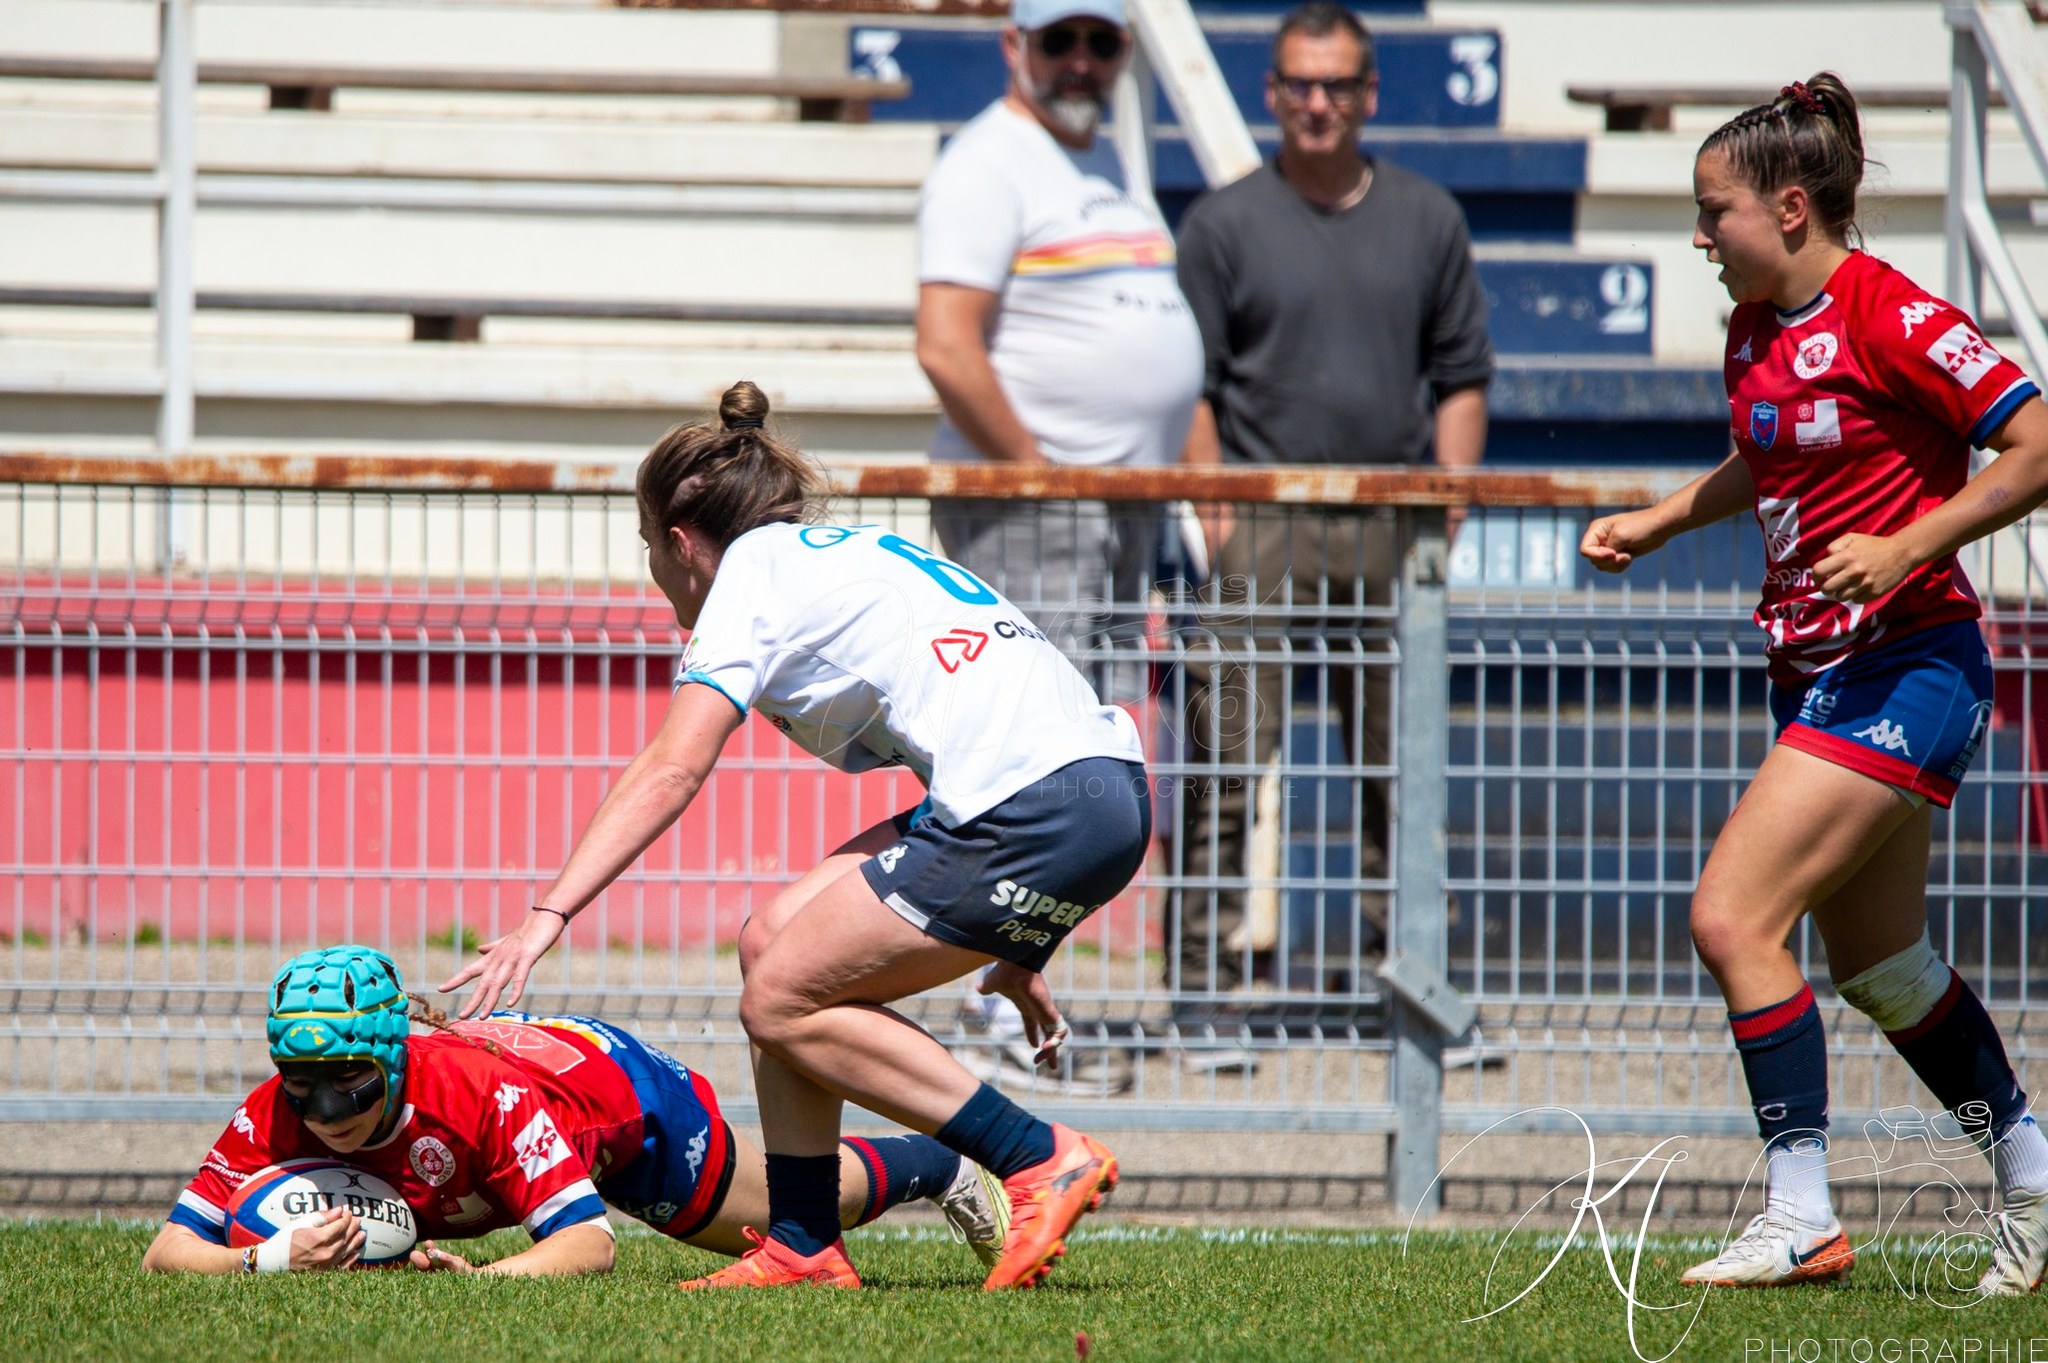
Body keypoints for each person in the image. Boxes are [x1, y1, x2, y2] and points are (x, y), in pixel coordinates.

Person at [442, 381, 1150, 1291]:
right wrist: (1021, 946)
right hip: (1096, 792)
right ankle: (805, 1241)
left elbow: (673, 766)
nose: (655, 574)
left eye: (646, 550)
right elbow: (1007, 715)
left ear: (680, 541)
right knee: (772, 943)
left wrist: (547, 915)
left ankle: (1035, 1154)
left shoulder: (748, 576)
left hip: (1036, 804)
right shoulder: (844, 553)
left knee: (779, 999)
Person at [1580, 74, 2048, 1295]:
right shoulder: (1756, 324)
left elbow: (2036, 440)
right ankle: (2035, 1176)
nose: (1696, 235)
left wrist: (1910, 543)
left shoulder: (1890, 313)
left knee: (1731, 917)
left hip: (1907, 659)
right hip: (1819, 672)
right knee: (1884, 966)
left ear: (1789, 209)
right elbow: (1770, 448)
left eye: (1711, 211)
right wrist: (1667, 517)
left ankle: (1798, 1214)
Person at [1168, 1, 1491, 1033]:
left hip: (1390, 522)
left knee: (1402, 772)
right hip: (1257, 521)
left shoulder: (1427, 218)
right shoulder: (1220, 224)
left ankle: (1403, 992)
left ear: (1367, 94)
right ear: (1270, 94)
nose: (1316, 103)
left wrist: (1441, 509)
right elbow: (1193, 390)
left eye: (1336, 84)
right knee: (1224, 756)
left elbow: (1460, 378)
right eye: (1298, 84)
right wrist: (1217, 519)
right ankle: (1202, 993)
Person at [141, 944, 1008, 1275]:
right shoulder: (275, 1109)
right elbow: (165, 1254)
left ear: (397, 1059)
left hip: (618, 1101)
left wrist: (478, 1286)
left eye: (350, 1080)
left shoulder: (482, 1101)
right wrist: (268, 1261)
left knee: (797, 1213)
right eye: (303, 1080)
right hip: (524, 1069)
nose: (324, 1108)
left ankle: (944, 1163)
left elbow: (588, 1245)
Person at [913, 0, 1202, 713]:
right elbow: (946, 345)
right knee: (1032, 734)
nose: (1081, 61)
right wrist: (1041, 477)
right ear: (1015, 45)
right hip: (1032, 511)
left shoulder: (1105, 158)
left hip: (1118, 504)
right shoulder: (985, 161)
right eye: (1060, 40)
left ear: (1125, 51)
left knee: (1096, 728)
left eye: (1101, 42)